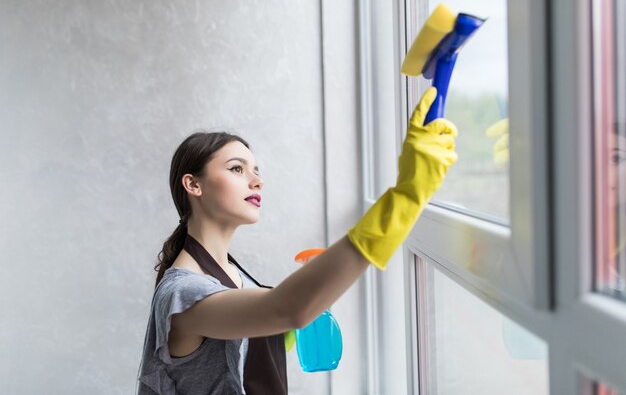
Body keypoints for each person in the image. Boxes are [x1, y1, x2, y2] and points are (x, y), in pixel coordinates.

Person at [136, 87, 458, 395]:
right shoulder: (183, 293)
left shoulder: (234, 274)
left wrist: (307, 301)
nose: (257, 181)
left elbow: (255, 334)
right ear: (193, 185)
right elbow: (286, 309)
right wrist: (406, 196)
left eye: (256, 170)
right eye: (237, 169)